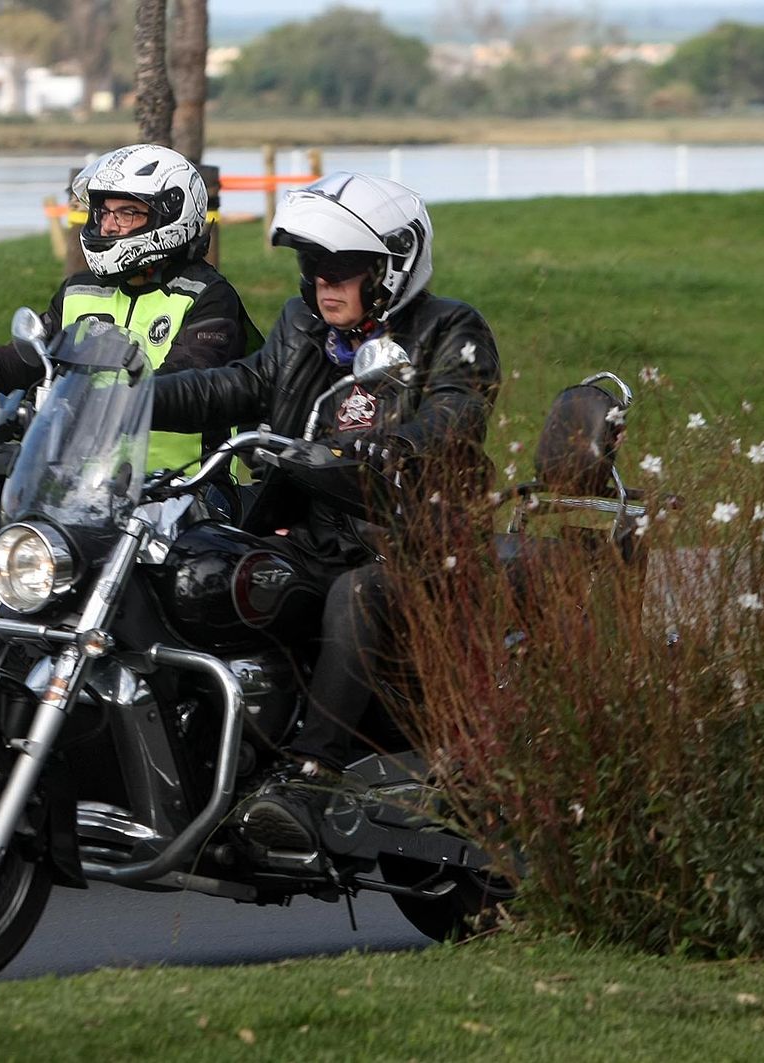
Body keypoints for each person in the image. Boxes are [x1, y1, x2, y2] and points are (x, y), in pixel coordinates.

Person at [150, 171, 502, 851]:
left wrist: (387, 446)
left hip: (411, 545)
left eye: (344, 267)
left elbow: (457, 409)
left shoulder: (450, 328)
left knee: (358, 594)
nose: (323, 282)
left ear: (392, 266)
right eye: (315, 265)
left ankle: (309, 778)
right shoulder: (301, 324)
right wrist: (136, 392)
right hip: (314, 533)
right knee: (199, 566)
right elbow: (240, 383)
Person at [0, 143, 260, 471]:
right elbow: (12, 365)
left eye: (126, 213)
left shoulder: (207, 296)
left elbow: (187, 379)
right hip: (80, 488)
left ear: (171, 214)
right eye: (104, 212)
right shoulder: (80, 291)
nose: (108, 226)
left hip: (184, 489)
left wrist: (82, 405)